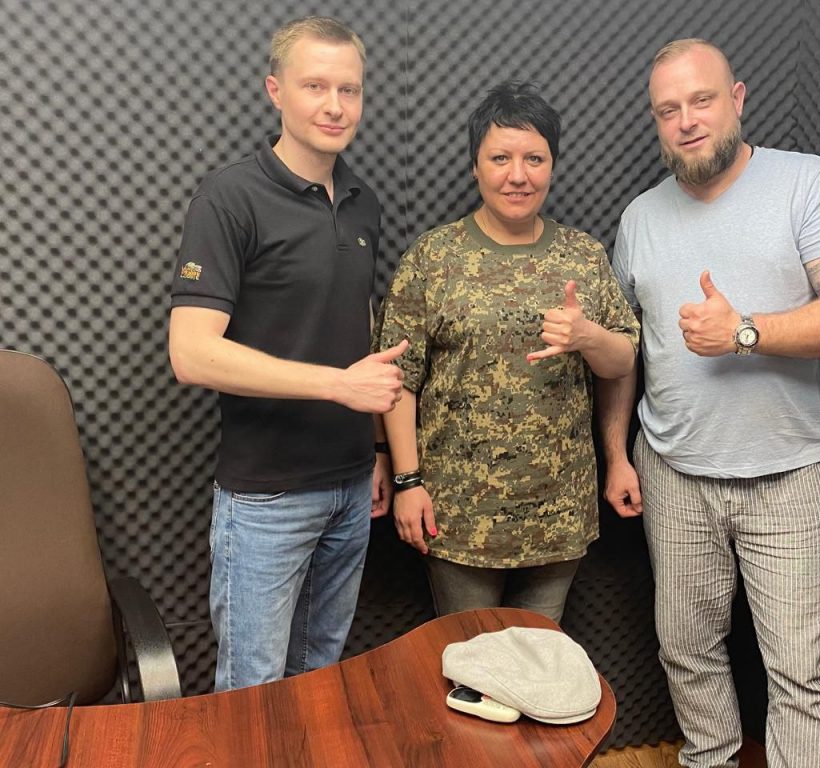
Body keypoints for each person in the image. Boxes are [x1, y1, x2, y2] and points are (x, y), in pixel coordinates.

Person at [596, 40, 820, 768]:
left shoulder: (806, 182)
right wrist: (618, 452)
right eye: (668, 110)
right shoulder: (639, 219)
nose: (687, 121)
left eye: (702, 100)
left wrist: (745, 332)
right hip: (672, 477)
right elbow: (630, 350)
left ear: (738, 98)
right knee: (686, 652)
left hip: (788, 479)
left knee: (802, 679)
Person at [168, 16, 408, 692]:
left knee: (318, 684)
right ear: (276, 90)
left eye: (349, 90)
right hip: (266, 499)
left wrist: (377, 449)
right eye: (315, 86)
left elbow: (355, 327)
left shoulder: (362, 203)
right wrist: (336, 386)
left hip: (351, 488)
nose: (335, 106)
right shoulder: (229, 198)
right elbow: (192, 354)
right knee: (254, 694)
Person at [375, 81, 640, 624]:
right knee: (469, 662)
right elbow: (399, 378)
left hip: (559, 513)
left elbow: (622, 362)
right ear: (475, 166)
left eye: (534, 159)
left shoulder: (583, 256)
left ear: (552, 166)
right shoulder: (434, 256)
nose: (518, 175)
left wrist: (587, 336)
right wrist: (407, 481)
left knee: (541, 662)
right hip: (458, 514)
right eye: (500, 158)